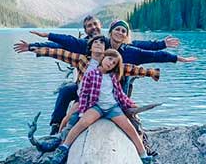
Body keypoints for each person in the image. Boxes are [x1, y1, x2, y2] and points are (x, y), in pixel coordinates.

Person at [13, 15, 181, 132]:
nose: (93, 28)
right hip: (88, 90)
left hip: (114, 90)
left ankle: (130, 119)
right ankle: (56, 128)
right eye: (89, 26)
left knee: (126, 75)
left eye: (95, 24)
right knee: (65, 91)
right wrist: (33, 45)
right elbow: (62, 47)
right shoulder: (86, 45)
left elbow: (145, 51)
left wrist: (163, 46)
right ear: (85, 30)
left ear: (101, 26)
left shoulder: (118, 42)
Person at [50, 49, 161, 164]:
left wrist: (130, 104)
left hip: (112, 108)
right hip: (96, 107)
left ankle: (144, 159)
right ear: (103, 58)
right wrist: (83, 111)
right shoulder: (91, 74)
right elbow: (84, 94)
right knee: (82, 123)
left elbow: (119, 94)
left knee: (130, 129)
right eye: (109, 59)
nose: (110, 63)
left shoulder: (113, 77)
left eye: (114, 63)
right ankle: (63, 148)